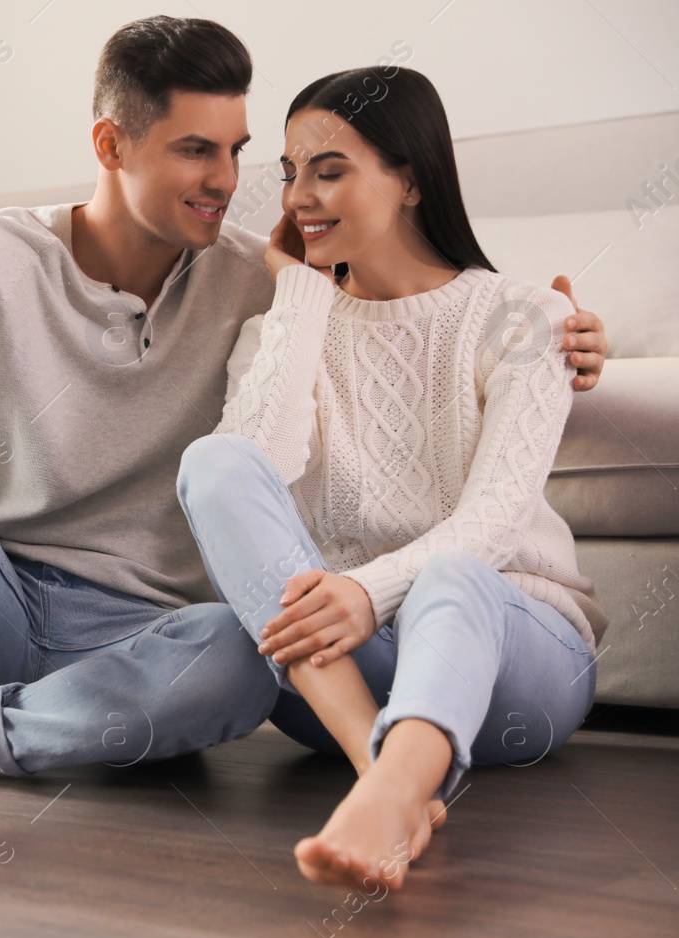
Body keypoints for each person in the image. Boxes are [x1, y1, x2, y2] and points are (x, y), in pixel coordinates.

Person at [0, 18, 609, 860]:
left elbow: (424, 323)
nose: (232, 181)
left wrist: (564, 333)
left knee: (244, 653)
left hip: (153, 644)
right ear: (111, 146)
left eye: (237, 153)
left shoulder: (262, 279)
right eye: (195, 150)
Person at [177, 66, 607, 889]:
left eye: (329, 170)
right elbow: (248, 478)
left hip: (518, 667)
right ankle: (378, 761)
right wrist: (300, 293)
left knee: (454, 573)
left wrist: (369, 590)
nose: (301, 194)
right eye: (291, 172)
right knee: (212, 459)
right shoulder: (281, 331)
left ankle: (394, 790)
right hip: (343, 671)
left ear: (410, 178)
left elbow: (497, 523)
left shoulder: (523, 317)